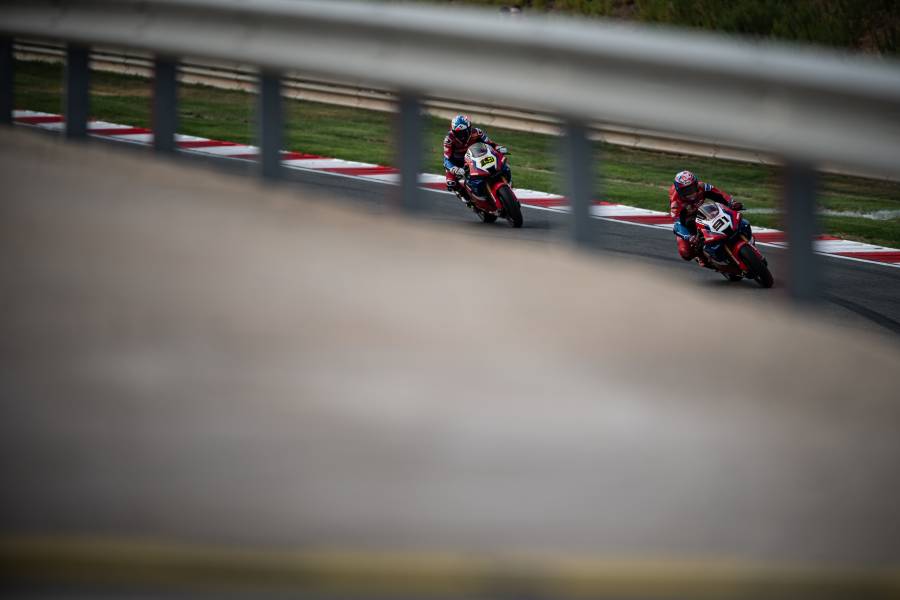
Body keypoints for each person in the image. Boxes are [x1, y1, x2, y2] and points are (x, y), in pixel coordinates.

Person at [670, 170, 743, 266]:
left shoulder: (702, 186)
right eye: (686, 191)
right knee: (685, 252)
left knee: (731, 214)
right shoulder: (676, 203)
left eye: (692, 188)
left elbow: (720, 194)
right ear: (679, 192)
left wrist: (731, 203)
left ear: (696, 184)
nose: (691, 193)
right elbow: (677, 224)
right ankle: (701, 256)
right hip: (687, 219)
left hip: (705, 210)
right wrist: (689, 237)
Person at [443, 114, 507, 204]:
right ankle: (467, 198)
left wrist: (498, 148)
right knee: (451, 183)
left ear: (469, 128)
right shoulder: (449, 139)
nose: (461, 135)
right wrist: (454, 168)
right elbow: (447, 159)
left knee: (500, 163)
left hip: (477, 157)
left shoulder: (477, 132)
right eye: (457, 133)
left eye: (463, 132)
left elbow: (490, 143)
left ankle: (505, 182)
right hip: (458, 162)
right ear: (453, 131)